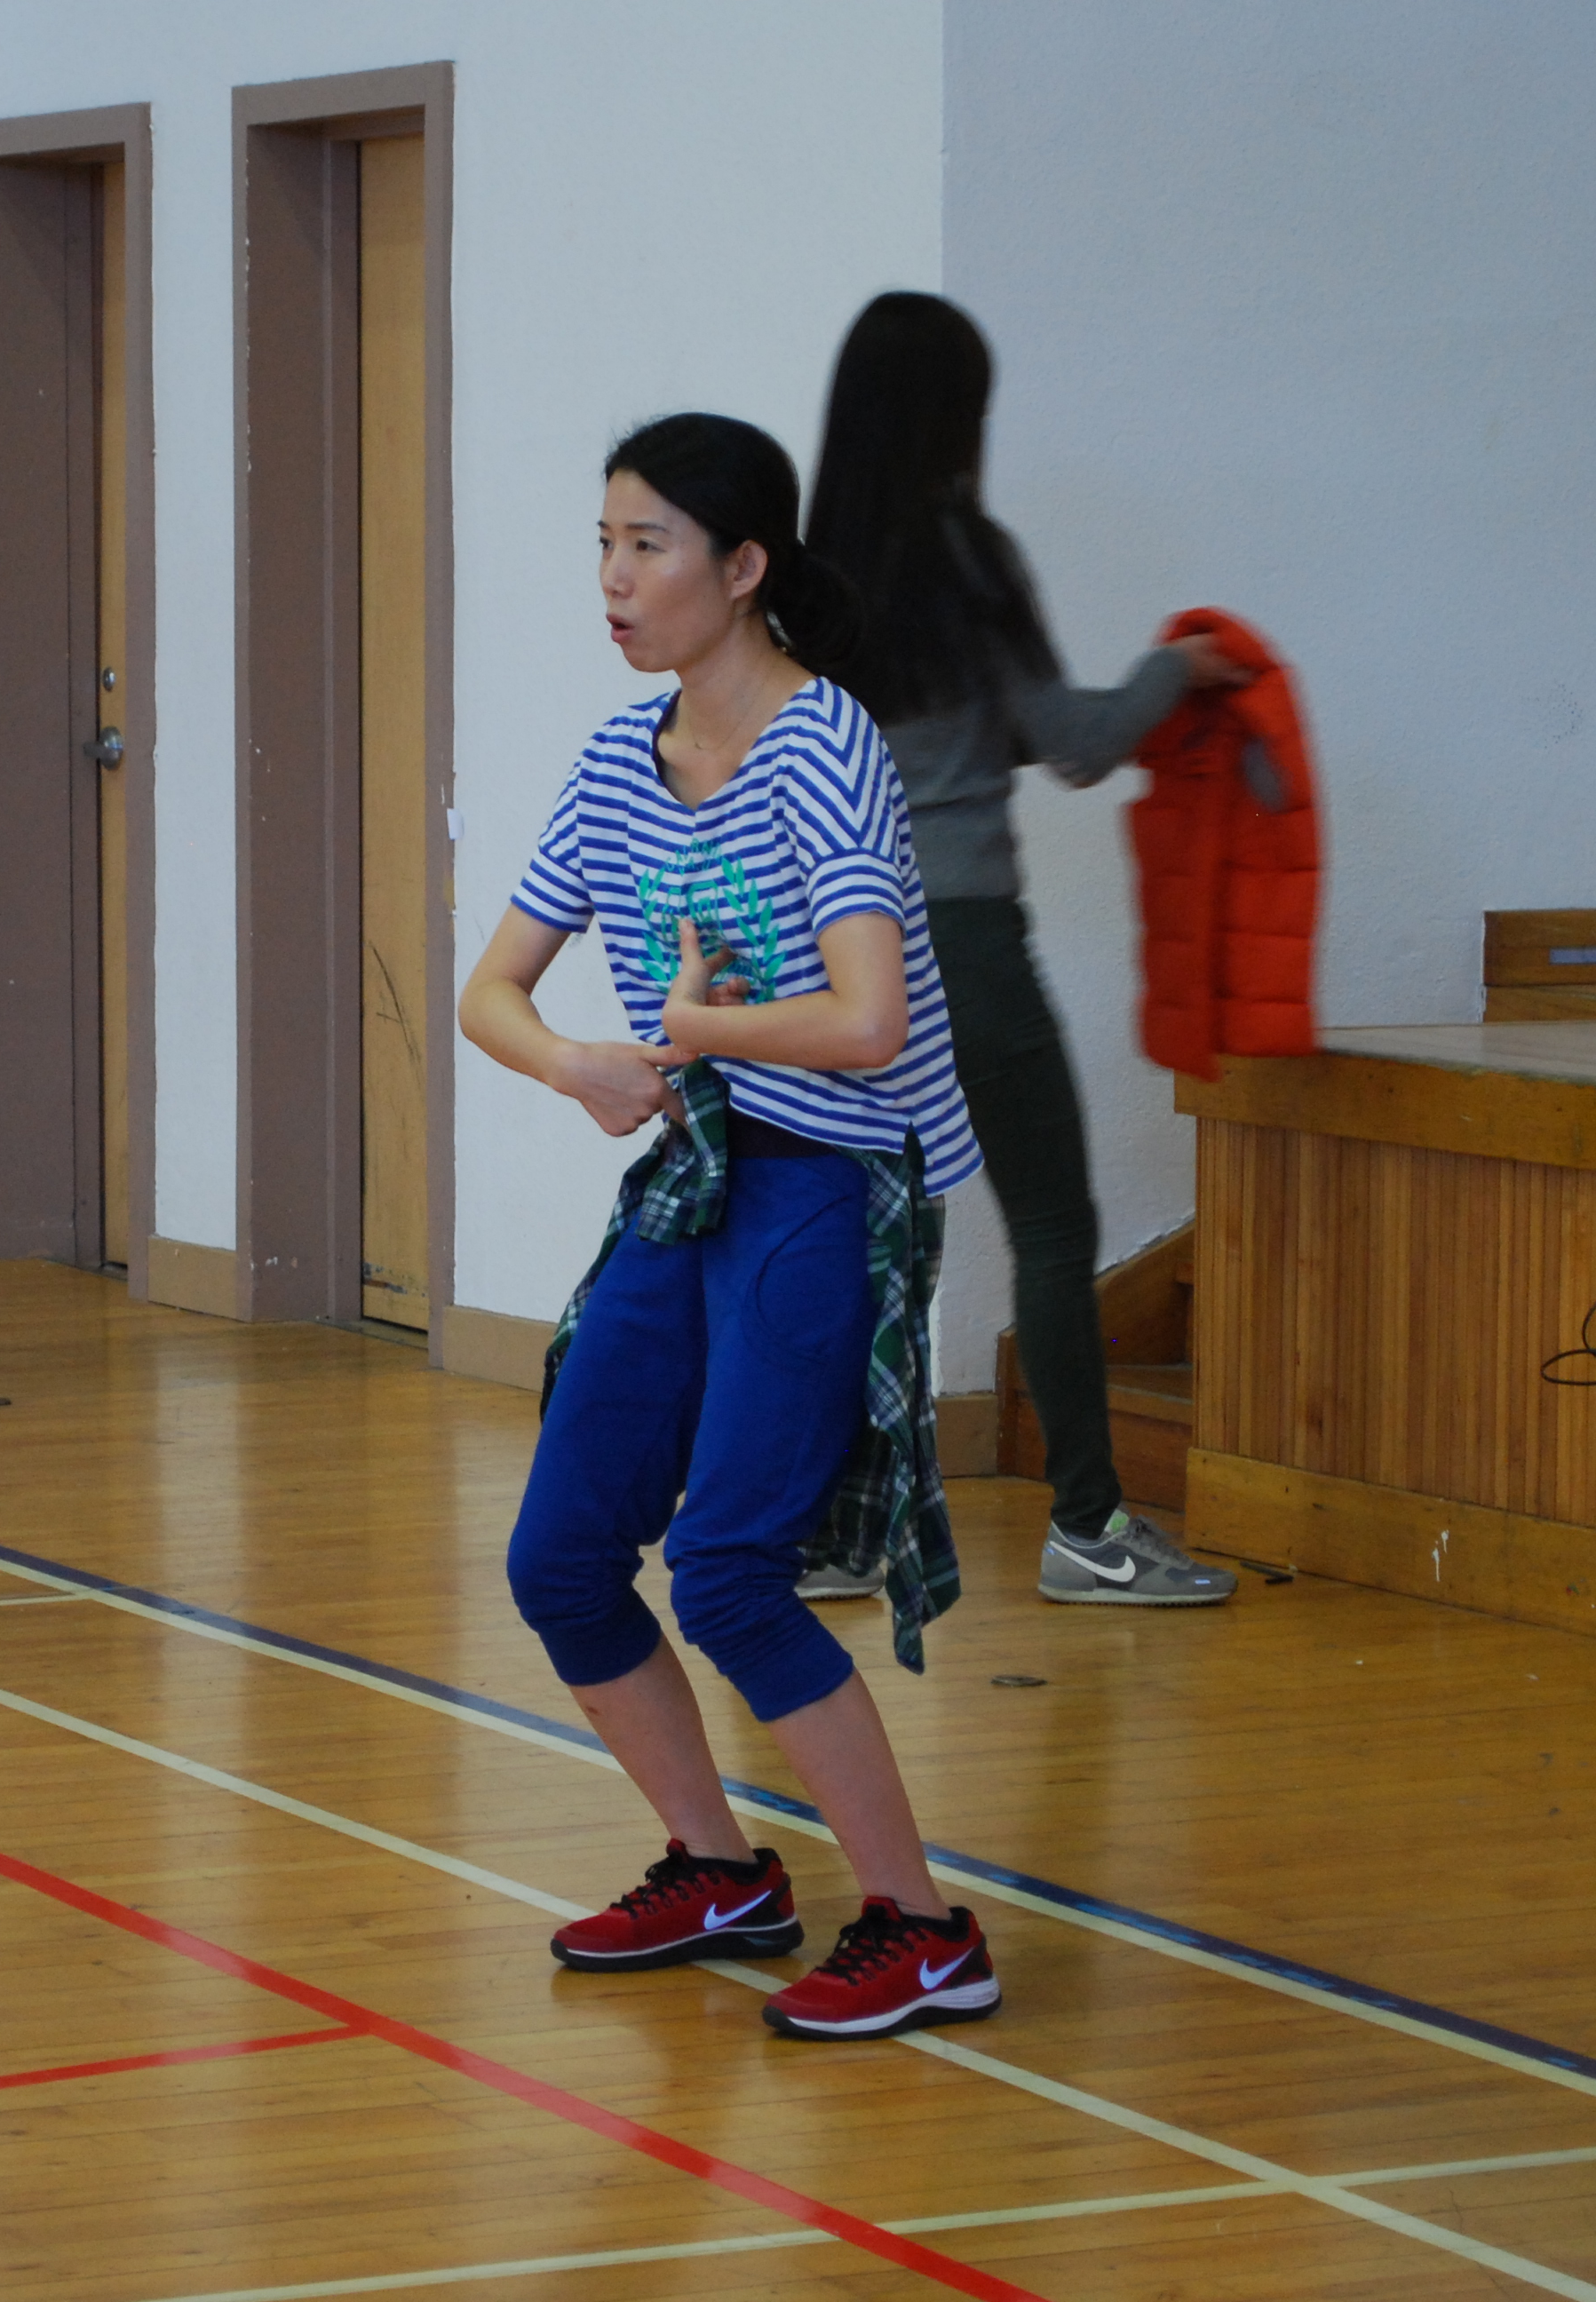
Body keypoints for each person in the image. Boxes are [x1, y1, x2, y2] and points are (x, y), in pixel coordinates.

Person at [461, 412, 996, 2042]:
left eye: (650, 547)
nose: (615, 581)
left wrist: (692, 1030)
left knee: (729, 1572)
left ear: (745, 566)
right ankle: (720, 1870)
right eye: (604, 546)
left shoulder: (823, 748)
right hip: (698, 1176)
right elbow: (493, 989)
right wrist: (578, 1065)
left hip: (832, 1180)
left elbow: (868, 1024)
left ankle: (924, 1928)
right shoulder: (618, 761)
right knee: (562, 1559)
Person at [804, 290, 1240, 1607]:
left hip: (830, 948)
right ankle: (1089, 1530)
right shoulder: (965, 559)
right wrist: (1181, 668)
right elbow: (1079, 742)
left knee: (858, 1236)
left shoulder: (804, 582)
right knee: (1052, 1225)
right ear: (955, 418)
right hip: (963, 941)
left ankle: (830, 1532)